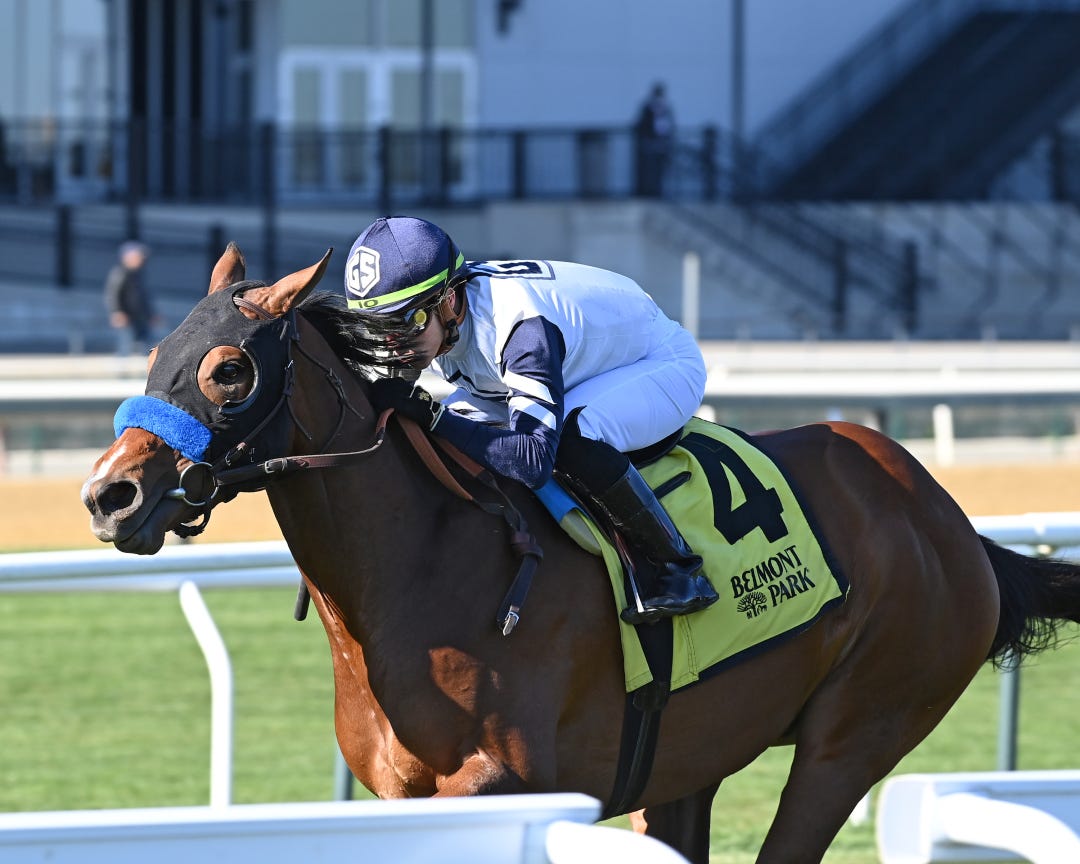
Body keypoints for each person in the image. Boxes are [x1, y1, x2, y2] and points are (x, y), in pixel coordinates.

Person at [344, 216, 718, 624]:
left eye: (406, 323)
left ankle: (677, 568)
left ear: (449, 300)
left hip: (658, 361)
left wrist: (434, 416)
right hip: (561, 367)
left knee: (571, 435)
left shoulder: (519, 328)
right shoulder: (441, 320)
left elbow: (532, 460)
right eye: (377, 329)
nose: (393, 346)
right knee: (445, 442)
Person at [104, 240, 158, 356]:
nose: (142, 260)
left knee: (147, 347)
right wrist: (116, 312)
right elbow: (112, 295)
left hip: (141, 318)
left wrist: (151, 314)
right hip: (127, 319)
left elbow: (143, 299)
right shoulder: (120, 274)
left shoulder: (138, 275)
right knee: (125, 347)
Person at [634, 82, 675, 197]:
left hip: (662, 143)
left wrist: (666, 140)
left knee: (661, 169)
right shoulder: (647, 108)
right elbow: (642, 126)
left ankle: (659, 191)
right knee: (648, 170)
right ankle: (647, 192)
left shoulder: (666, 108)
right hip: (650, 143)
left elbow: (670, 126)